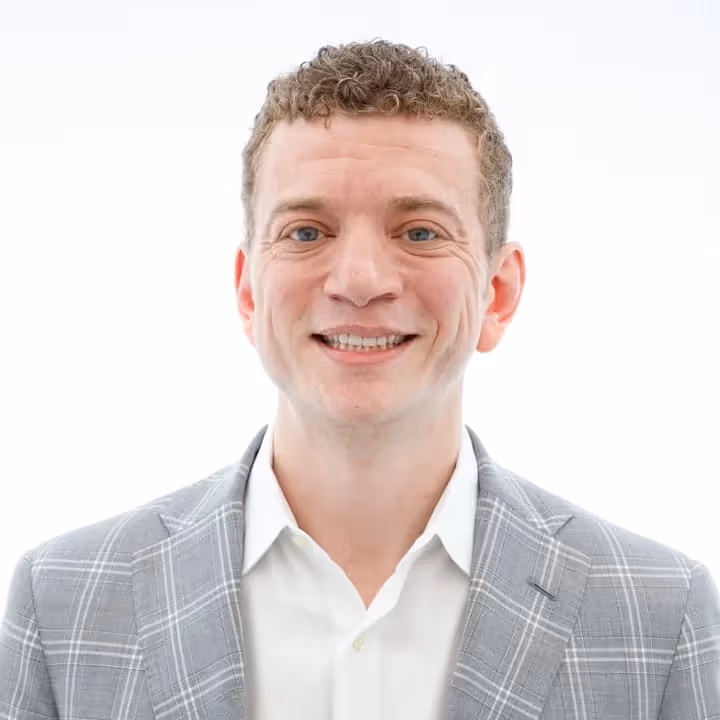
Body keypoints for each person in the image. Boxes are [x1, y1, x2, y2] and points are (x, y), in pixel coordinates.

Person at [1, 39, 718, 720]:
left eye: (420, 232)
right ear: (248, 291)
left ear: (498, 293)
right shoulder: (62, 606)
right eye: (307, 232)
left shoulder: (662, 617)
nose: (360, 279)